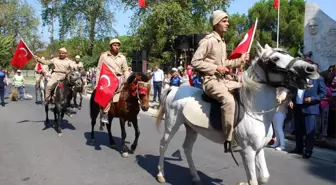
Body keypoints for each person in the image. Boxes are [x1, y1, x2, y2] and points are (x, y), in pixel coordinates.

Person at [191, 10, 249, 151]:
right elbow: (195, 62)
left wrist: (240, 60)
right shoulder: (209, 41)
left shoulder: (222, 41)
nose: (227, 23)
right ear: (216, 23)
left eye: (227, 20)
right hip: (210, 81)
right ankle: (229, 139)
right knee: (228, 101)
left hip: (223, 80)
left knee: (246, 89)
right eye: (224, 21)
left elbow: (225, 63)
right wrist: (216, 67)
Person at [289, 76, 327, 158]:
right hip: (298, 107)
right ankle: (298, 148)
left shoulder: (318, 79)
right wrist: (292, 100)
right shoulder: (298, 78)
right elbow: (294, 91)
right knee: (298, 131)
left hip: (310, 109)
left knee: (309, 132)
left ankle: (308, 151)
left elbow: (323, 93)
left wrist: (312, 99)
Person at [95, 38, 130, 123]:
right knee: (108, 93)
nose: (117, 47)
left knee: (130, 93)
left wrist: (128, 80)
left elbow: (125, 70)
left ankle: (130, 113)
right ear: (111, 46)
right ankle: (105, 113)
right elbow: (99, 69)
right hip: (107, 80)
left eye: (118, 45)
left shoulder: (122, 57)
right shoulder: (104, 56)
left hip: (119, 79)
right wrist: (97, 83)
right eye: (115, 45)